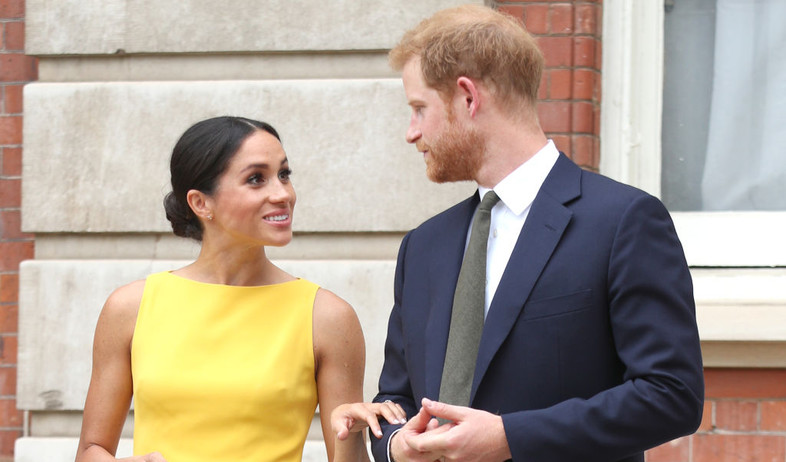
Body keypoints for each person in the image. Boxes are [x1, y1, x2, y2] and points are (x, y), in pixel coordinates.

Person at [366, 5, 704, 462]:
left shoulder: (623, 221)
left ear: (467, 97)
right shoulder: (422, 247)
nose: (412, 133)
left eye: (419, 108)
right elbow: (395, 401)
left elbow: (671, 395)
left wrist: (511, 436)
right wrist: (395, 445)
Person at [74, 116, 406, 462]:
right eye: (256, 179)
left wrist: (353, 437)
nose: (282, 194)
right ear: (201, 203)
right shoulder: (130, 308)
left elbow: (345, 451)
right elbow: (90, 450)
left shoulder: (327, 317)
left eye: (284, 174)